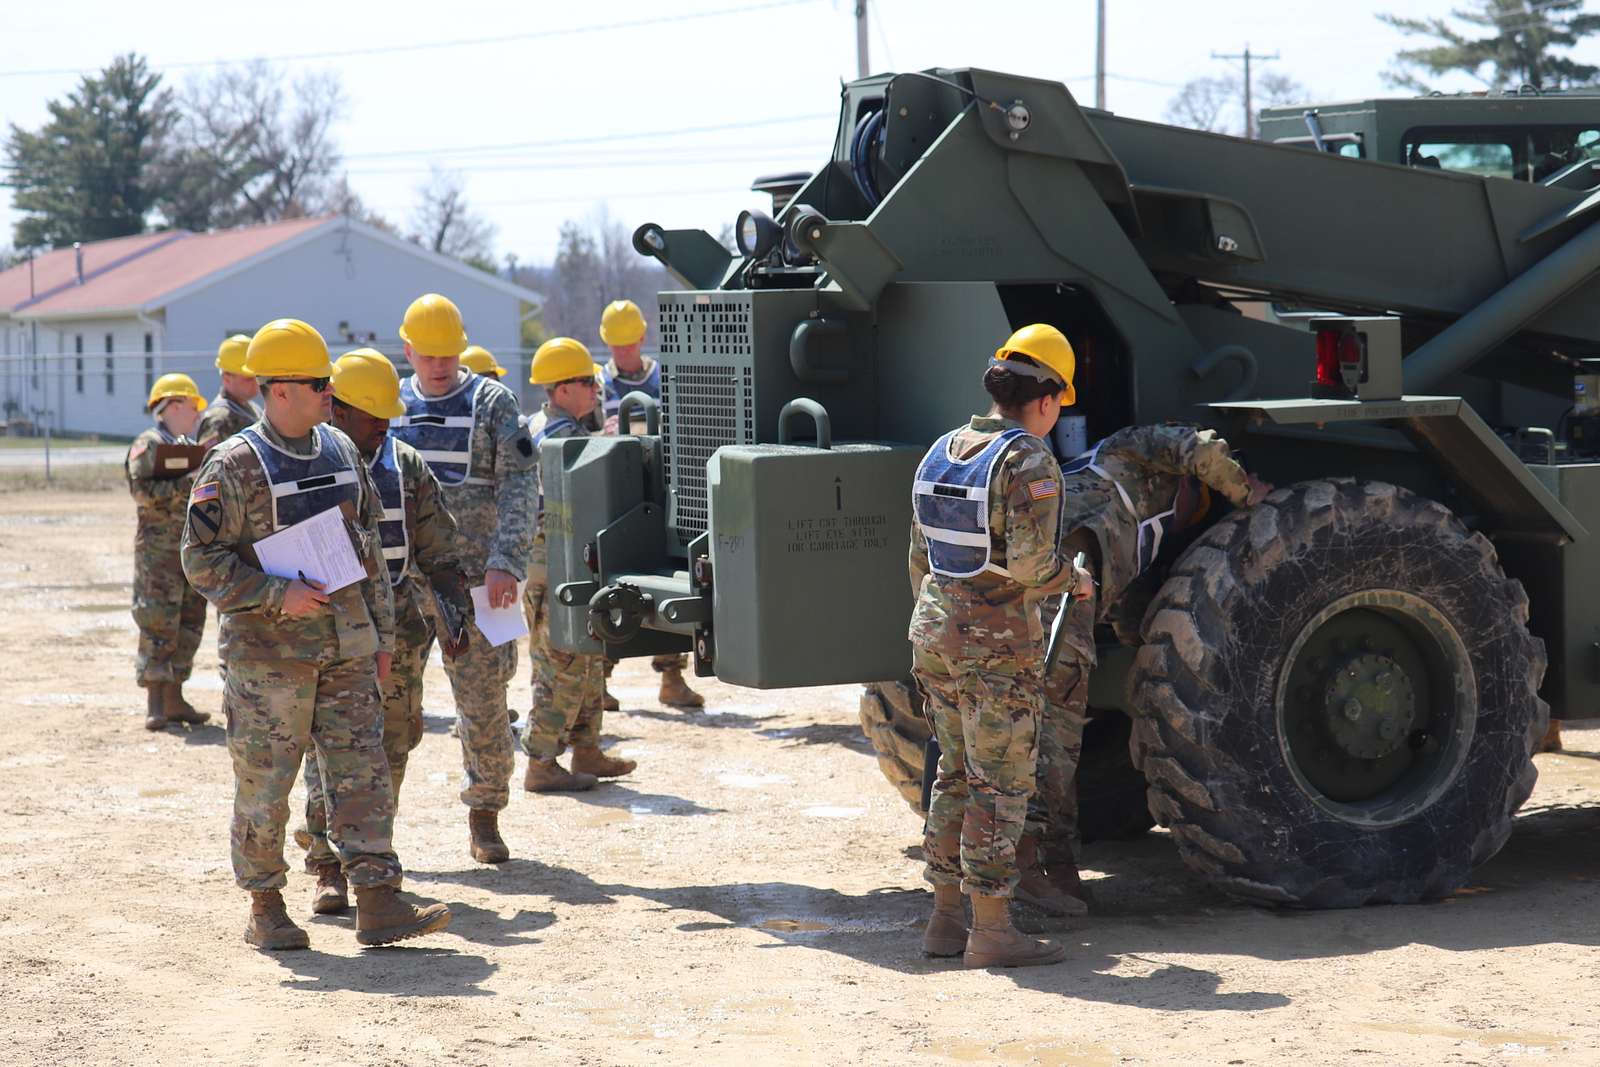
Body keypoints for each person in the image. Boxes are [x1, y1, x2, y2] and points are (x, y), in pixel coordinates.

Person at [181, 318, 451, 951]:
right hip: (269, 659)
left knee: (363, 770)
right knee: (267, 778)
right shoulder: (236, 464)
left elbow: (370, 553)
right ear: (279, 392)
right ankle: (266, 905)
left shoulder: (338, 449)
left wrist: (382, 639)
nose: (331, 391)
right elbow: (200, 560)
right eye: (317, 382)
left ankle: (378, 897)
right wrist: (276, 593)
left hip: (349, 649)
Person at [1019, 422, 1272, 918]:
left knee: (1035, 736)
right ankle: (1044, 871)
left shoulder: (1145, 530)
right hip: (1054, 590)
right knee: (1050, 740)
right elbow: (1199, 448)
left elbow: (1127, 606)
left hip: (1055, 590)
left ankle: (1021, 870)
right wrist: (1247, 492)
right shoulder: (1131, 451)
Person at [909, 323, 1092, 970]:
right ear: (1045, 399)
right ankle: (991, 930)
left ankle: (944, 920)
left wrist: (947, 616)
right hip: (997, 650)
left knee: (952, 773)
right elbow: (1033, 564)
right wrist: (1076, 577)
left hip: (935, 633)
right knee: (1001, 782)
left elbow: (920, 556)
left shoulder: (945, 449)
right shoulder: (1028, 460)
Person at [295, 349, 474, 915]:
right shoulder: (307, 462)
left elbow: (438, 547)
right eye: (374, 416)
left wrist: (453, 612)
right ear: (339, 411)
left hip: (397, 621)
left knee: (392, 740)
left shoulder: (405, 464)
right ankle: (328, 868)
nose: (384, 426)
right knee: (329, 745)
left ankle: (371, 859)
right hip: (324, 618)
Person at [389, 293, 536, 864]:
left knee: (486, 700)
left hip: (485, 581)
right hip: (407, 581)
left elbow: (522, 487)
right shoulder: (390, 402)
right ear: (408, 351)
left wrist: (509, 562)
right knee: (390, 705)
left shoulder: (493, 402)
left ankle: (485, 813)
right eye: (428, 355)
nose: (440, 365)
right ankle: (373, 832)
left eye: (448, 353)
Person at [520, 337, 636, 792]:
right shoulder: (562, 438)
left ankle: (586, 749)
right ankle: (541, 761)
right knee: (561, 664)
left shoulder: (544, 426)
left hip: (564, 564)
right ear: (562, 388)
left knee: (587, 660)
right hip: (557, 565)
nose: (594, 389)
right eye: (587, 382)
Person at [595, 298, 704, 710]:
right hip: (615, 490)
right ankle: (599, 682)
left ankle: (672, 677)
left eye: (629, 344)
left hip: (660, 488)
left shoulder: (664, 377)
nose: (623, 353)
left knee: (667, 575)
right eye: (616, 346)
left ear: (642, 337)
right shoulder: (598, 384)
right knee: (607, 582)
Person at [126, 373, 212, 731]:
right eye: (192, 406)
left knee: (190, 620)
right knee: (157, 620)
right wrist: (186, 483)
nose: (196, 414)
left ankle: (176, 698)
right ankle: (156, 703)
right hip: (158, 553)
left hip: (189, 547)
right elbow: (141, 492)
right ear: (173, 405)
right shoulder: (148, 445)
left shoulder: (187, 443)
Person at [194, 334, 261, 447]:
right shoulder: (218, 419)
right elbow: (210, 462)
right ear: (227, 379)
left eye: (257, 376)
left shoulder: (253, 409)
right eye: (249, 378)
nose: (256, 382)